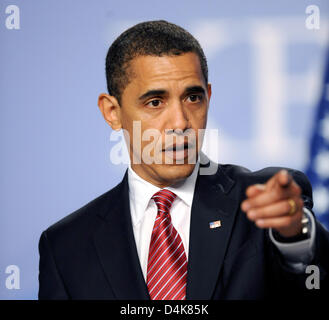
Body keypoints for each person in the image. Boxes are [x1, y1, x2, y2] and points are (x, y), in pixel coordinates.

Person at [38, 20, 329, 300]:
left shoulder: (264, 204)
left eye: (193, 98)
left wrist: (294, 234)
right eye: (155, 102)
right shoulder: (65, 247)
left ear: (209, 96)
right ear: (112, 111)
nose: (180, 121)